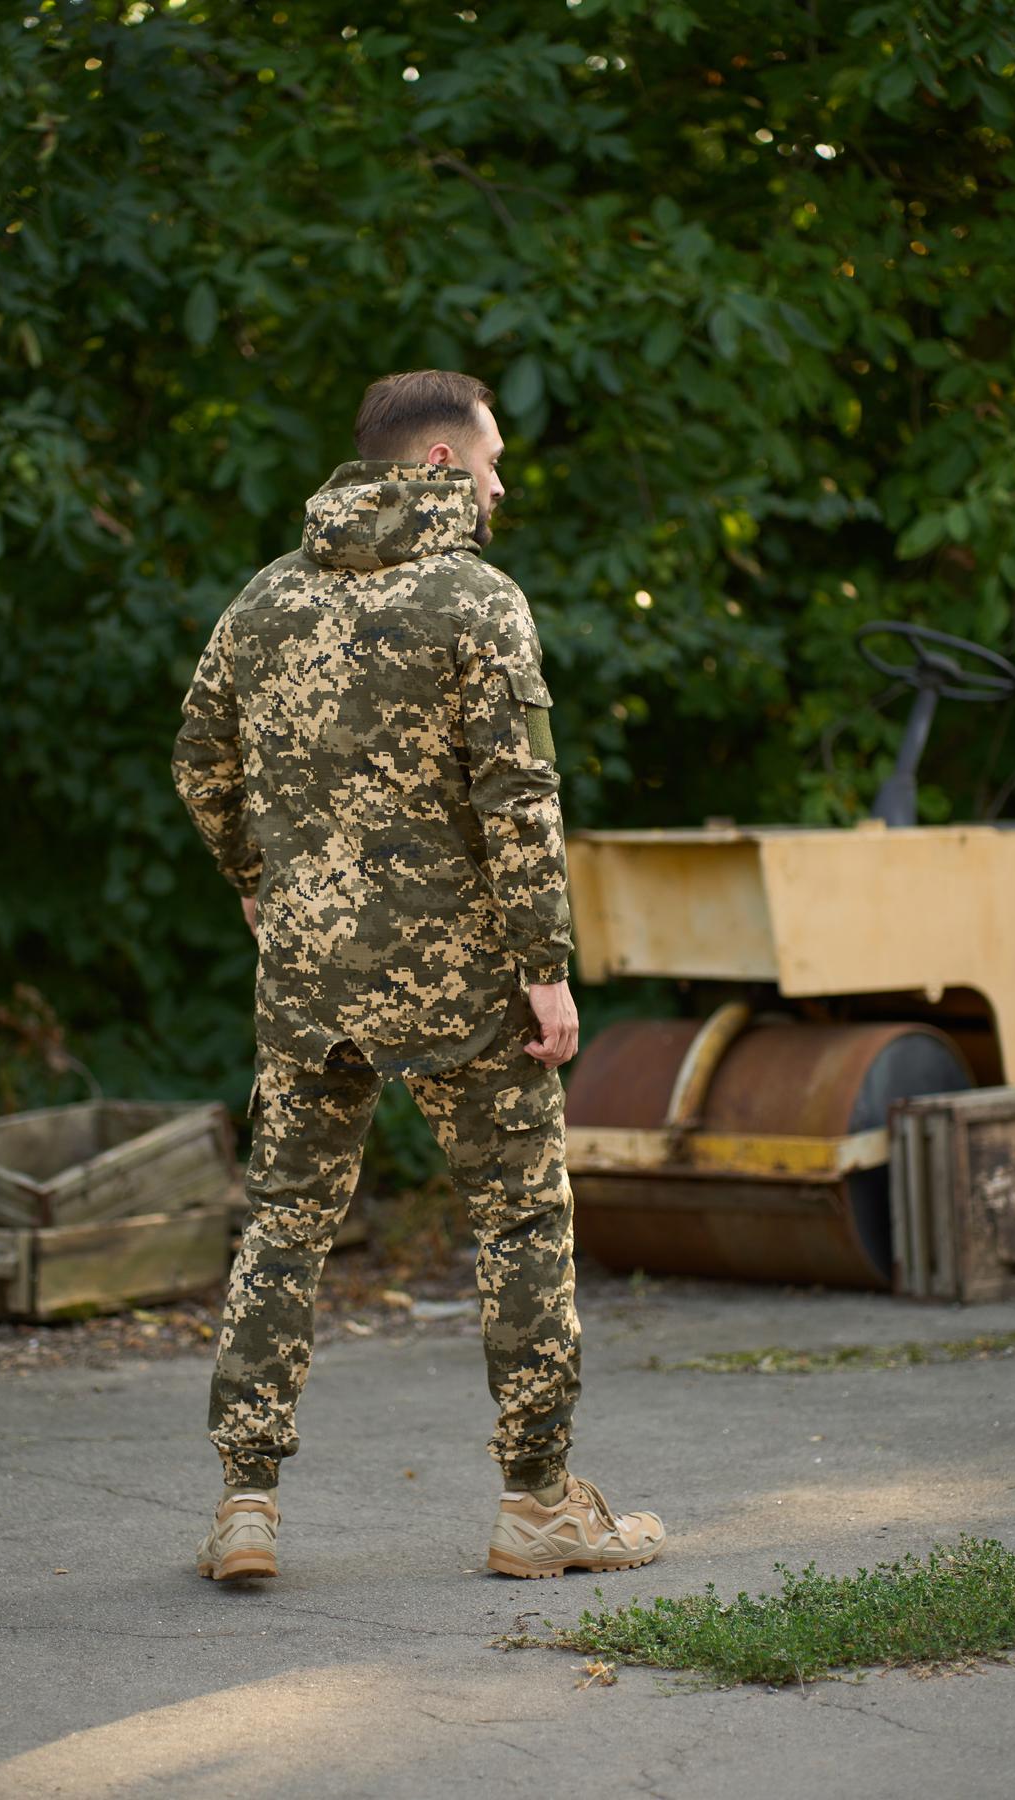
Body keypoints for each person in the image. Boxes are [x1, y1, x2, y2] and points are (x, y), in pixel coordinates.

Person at [171, 368, 665, 1581]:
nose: (499, 488)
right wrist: (546, 967)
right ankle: (537, 1503)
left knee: (283, 1227)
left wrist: (257, 878)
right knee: (521, 1222)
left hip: (311, 980)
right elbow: (519, 795)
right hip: (467, 983)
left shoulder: (265, 600)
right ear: (440, 463)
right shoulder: (477, 601)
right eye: (491, 464)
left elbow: (198, 760)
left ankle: (245, 1507)